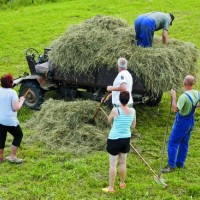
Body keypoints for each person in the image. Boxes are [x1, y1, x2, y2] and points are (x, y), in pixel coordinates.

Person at [161, 75, 200, 173]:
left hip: (182, 122)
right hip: (191, 121)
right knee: (184, 143)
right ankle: (180, 163)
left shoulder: (183, 97)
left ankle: (171, 166)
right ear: (193, 84)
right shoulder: (197, 93)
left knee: (173, 142)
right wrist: (195, 106)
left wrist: (173, 97)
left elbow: (175, 109)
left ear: (184, 83)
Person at [102, 91, 136, 193]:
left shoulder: (115, 110)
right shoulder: (133, 111)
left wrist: (113, 122)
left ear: (119, 99)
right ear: (128, 99)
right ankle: (122, 183)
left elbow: (108, 120)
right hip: (126, 139)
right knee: (123, 162)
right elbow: (133, 126)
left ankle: (111, 188)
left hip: (114, 139)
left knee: (113, 164)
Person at [0, 74, 25, 164]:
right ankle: (12, 157)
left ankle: (0, 158)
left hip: (0, 119)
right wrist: (21, 100)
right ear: (10, 82)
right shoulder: (12, 93)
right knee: (18, 135)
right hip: (9, 121)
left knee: (1, 137)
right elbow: (16, 108)